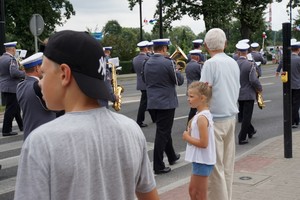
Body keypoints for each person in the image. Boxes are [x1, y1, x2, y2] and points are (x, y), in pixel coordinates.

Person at [14, 30, 159, 200]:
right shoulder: (131, 130)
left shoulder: (41, 141)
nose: (41, 82)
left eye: (44, 74)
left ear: (64, 74)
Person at [200, 28, 240, 200]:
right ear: (225, 44)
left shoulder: (210, 64)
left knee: (215, 170)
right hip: (231, 117)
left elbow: (204, 92)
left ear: (206, 45)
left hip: (215, 120)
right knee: (228, 166)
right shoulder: (233, 62)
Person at [143, 38, 184, 174]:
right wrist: (177, 70)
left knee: (164, 129)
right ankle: (158, 165)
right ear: (164, 49)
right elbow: (178, 81)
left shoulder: (147, 62)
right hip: (166, 102)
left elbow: (144, 80)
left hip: (153, 102)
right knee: (162, 132)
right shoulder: (168, 63)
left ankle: (171, 155)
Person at [183, 81, 216, 200]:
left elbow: (204, 143)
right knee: (193, 191)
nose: (188, 99)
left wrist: (187, 137)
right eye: (188, 96)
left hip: (203, 160)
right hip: (200, 160)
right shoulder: (200, 114)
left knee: (199, 194)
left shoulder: (202, 118)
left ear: (202, 98)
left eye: (191, 96)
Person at [16, 52, 56, 140]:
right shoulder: (39, 86)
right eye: (43, 66)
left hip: (29, 134)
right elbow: (55, 107)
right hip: (43, 136)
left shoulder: (20, 85)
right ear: (37, 68)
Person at [236, 42, 262, 144]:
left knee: (243, 115)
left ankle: (250, 131)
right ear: (247, 52)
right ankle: (242, 137)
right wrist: (259, 88)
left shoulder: (234, 64)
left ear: (238, 52)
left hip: (238, 92)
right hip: (248, 93)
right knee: (247, 116)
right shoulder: (250, 64)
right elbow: (254, 79)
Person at [0, 41, 25, 136]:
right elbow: (14, 73)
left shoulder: (2, 58)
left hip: (5, 86)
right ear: (13, 49)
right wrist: (25, 74)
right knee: (11, 108)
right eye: (15, 49)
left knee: (15, 107)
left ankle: (22, 125)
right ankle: (6, 130)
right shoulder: (11, 59)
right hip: (12, 87)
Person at [276, 41, 300, 128]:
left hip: (287, 84)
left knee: (290, 103)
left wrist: (277, 71)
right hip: (297, 84)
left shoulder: (286, 58)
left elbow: (280, 64)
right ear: (298, 50)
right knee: (296, 103)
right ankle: (293, 121)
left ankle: (296, 120)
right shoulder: (298, 59)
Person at [132, 40, 151, 127]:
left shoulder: (135, 59)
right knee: (144, 103)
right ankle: (139, 121)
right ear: (146, 48)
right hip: (147, 83)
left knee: (148, 101)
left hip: (140, 83)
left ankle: (154, 118)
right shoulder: (148, 59)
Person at [185, 49, 203, 123]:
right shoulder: (198, 66)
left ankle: (190, 122)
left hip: (189, 87)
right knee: (197, 108)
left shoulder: (187, 65)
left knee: (193, 107)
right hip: (197, 89)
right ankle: (191, 123)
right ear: (197, 57)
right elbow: (202, 77)